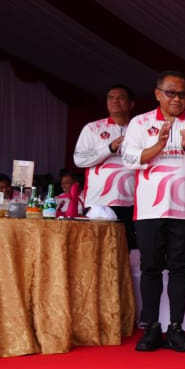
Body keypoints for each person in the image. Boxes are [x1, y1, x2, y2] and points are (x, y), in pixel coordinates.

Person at [122, 71, 185, 352]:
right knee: (150, 268)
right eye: (171, 93)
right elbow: (129, 159)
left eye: (182, 94)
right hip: (149, 209)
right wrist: (159, 146)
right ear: (158, 94)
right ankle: (151, 327)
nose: (177, 99)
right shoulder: (140, 123)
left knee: (179, 269)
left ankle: (176, 328)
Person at [73, 84, 139, 247]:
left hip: (133, 200)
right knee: (97, 247)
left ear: (131, 104)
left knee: (127, 248)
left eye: (121, 97)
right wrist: (109, 148)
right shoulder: (93, 128)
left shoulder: (140, 129)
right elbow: (79, 159)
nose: (115, 100)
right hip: (100, 201)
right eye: (111, 97)